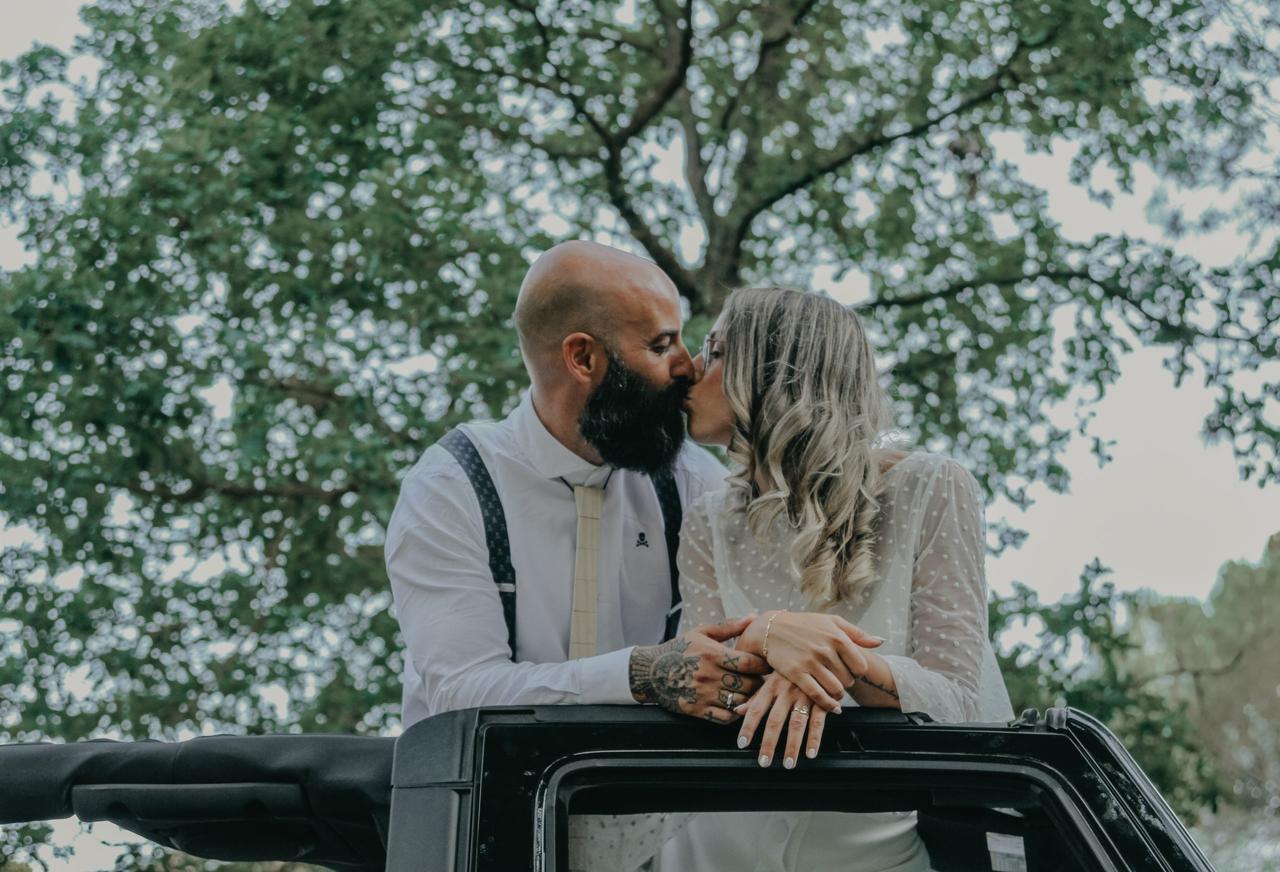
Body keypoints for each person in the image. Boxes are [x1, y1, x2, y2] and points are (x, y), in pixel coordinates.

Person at [386, 243, 869, 728]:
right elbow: (459, 692)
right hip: (478, 796)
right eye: (661, 346)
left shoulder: (695, 481)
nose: (688, 367)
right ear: (582, 358)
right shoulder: (452, 486)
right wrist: (638, 674)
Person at [644, 286, 1014, 871]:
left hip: (872, 845)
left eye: (714, 352)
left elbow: (961, 705)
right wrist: (769, 634)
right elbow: (707, 678)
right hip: (715, 842)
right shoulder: (709, 517)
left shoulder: (932, 488)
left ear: (771, 368)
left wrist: (829, 660)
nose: (689, 371)